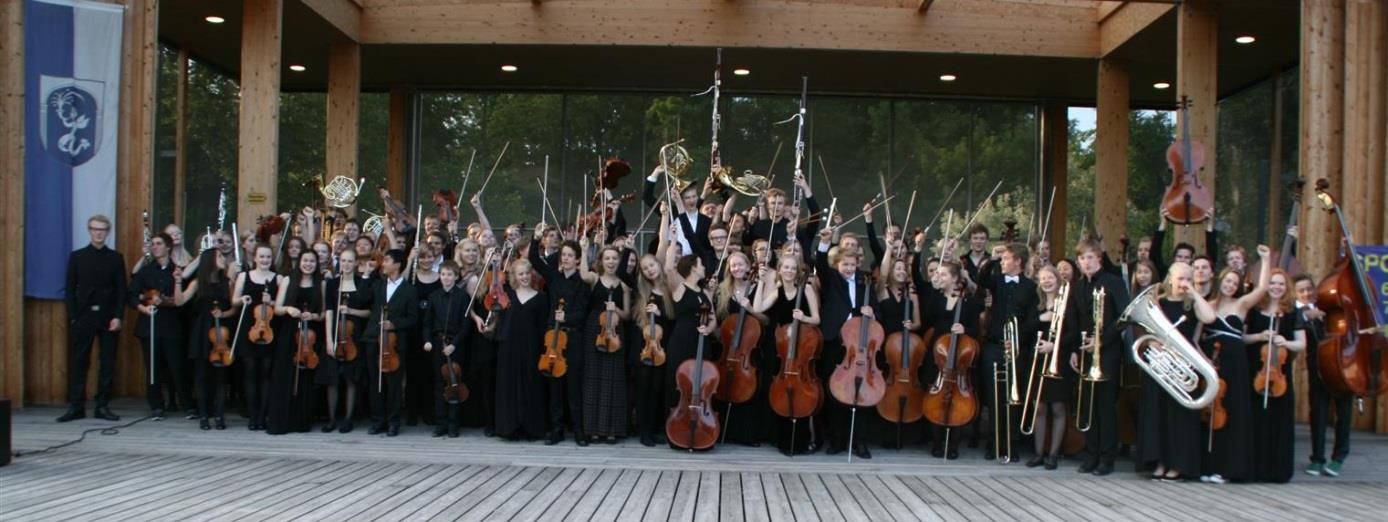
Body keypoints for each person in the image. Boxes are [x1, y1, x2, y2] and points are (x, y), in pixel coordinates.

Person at [1199, 246, 1270, 484]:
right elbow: (1197, 336)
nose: (1229, 285)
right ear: (1220, 281)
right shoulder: (1210, 304)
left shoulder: (1241, 305)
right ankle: (1211, 465)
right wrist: (1204, 358)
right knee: (1212, 415)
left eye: (1233, 282)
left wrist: (1266, 259)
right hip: (1213, 361)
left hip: (1235, 363)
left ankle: (1229, 469)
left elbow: (1261, 289)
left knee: (1232, 413)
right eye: (1226, 281)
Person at [1064, 240, 1130, 476]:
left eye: (1090, 257)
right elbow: (1073, 322)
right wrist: (1073, 349)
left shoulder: (1113, 282)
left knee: (1105, 406)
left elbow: (1124, 316)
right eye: (1082, 258)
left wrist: (1101, 341)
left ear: (1099, 258)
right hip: (1084, 351)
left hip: (1108, 352)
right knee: (1088, 406)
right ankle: (1091, 455)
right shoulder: (1077, 287)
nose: (1086, 262)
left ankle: (1107, 458)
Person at [814, 227, 879, 459]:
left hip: (860, 344)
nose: (849, 269)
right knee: (835, 391)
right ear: (838, 265)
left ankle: (859, 441)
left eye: (853, 265)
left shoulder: (865, 281)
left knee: (861, 391)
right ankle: (837, 440)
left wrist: (871, 311)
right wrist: (824, 243)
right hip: (836, 340)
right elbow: (820, 263)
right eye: (845, 265)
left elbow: (874, 309)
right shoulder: (831, 279)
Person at [59, 215, 128, 423]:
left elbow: (121, 291)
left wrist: (118, 316)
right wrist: (73, 316)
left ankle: (102, 405)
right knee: (80, 361)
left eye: (103, 229)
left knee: (107, 362)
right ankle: (76, 406)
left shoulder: (116, 258)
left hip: (108, 316)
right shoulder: (77, 257)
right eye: (95, 229)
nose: (99, 233)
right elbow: (70, 289)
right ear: (89, 230)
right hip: (83, 316)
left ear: (108, 232)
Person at [528, 227, 591, 446]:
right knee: (554, 384)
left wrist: (567, 317)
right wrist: (536, 238)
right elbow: (534, 260)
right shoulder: (554, 277)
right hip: (553, 337)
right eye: (563, 255)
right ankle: (556, 429)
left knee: (574, 386)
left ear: (577, 259)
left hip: (573, 337)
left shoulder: (583, 282)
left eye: (569, 256)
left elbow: (583, 312)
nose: (565, 259)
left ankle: (579, 430)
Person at [1243, 269, 1306, 483]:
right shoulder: (1254, 311)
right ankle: (1256, 469)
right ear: (1266, 286)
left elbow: (1301, 343)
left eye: (1280, 284)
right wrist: (1260, 336)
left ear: (1286, 287)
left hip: (1280, 376)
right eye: (1272, 283)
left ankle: (1277, 471)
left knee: (1279, 422)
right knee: (1257, 420)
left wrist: (1284, 342)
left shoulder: (1292, 313)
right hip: (1257, 373)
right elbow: (1242, 338)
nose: (1276, 287)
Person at [976, 242, 1038, 460]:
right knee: (994, 398)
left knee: (1013, 397)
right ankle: (994, 443)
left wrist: (1017, 337)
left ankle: (1012, 444)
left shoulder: (1030, 287)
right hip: (993, 345)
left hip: (1016, 347)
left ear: (1018, 261)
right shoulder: (997, 281)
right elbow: (980, 279)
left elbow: (1032, 320)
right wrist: (993, 259)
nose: (1003, 262)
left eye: (1006, 259)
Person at [129, 232, 192, 420]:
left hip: (172, 326)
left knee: (177, 367)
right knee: (153, 368)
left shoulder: (178, 270)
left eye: (158, 244)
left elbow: (183, 300)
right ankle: (156, 405)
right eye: (153, 244)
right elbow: (131, 295)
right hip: (150, 325)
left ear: (168, 247)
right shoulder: (146, 271)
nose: (155, 247)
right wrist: (144, 308)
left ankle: (187, 404)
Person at [921, 261, 978, 460]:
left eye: (944, 274)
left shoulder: (969, 301)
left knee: (958, 397)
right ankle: (937, 443)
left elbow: (976, 329)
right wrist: (934, 287)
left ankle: (953, 445)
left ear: (955, 278)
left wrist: (965, 330)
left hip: (960, 353)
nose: (940, 277)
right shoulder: (935, 297)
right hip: (939, 352)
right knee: (934, 394)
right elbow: (927, 318)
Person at [715, 251, 772, 446]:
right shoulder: (723, 290)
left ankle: (747, 434)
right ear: (729, 269)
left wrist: (749, 309)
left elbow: (766, 319)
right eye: (733, 265)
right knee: (723, 388)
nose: (737, 268)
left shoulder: (757, 288)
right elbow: (719, 320)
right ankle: (724, 432)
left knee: (750, 389)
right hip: (727, 348)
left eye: (741, 264)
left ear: (749, 266)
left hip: (749, 349)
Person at [1295, 273, 1349, 477]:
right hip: (1317, 366)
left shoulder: (1327, 307)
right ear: (1296, 294)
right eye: (1302, 291)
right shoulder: (1296, 313)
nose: (1307, 293)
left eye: (1309, 289)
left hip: (1341, 364)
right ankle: (1317, 458)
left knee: (1343, 411)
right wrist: (1305, 316)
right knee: (1318, 412)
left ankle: (1339, 457)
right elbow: (1290, 322)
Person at [362, 249, 418, 437]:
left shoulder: (410, 290)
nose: (383, 263)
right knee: (374, 383)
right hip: (373, 339)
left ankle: (393, 421)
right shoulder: (377, 284)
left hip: (394, 343)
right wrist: (366, 275)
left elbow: (413, 318)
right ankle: (378, 420)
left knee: (394, 384)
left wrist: (394, 324)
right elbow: (362, 299)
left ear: (398, 264)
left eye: (387, 260)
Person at [579, 238, 631, 443]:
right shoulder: (594, 278)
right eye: (607, 258)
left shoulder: (624, 285)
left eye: (614, 258)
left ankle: (611, 429)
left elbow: (627, 315)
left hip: (616, 331)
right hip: (594, 329)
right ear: (601, 260)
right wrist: (583, 250)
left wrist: (615, 309)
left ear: (619, 261)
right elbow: (583, 273)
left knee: (613, 380)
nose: (610, 262)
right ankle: (592, 428)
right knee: (593, 379)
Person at [265, 252, 322, 435]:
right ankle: (282, 420)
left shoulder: (320, 283)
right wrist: (289, 309)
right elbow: (277, 308)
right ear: (299, 262)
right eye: (305, 260)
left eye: (312, 261)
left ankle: (301, 420)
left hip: (309, 335)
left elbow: (323, 313)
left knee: (305, 377)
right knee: (284, 375)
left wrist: (312, 315)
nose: (308, 264)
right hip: (289, 333)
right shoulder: (289, 280)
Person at [493, 258, 550, 441]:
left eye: (527, 273)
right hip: (509, 346)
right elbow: (500, 321)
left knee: (530, 384)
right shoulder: (507, 295)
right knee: (510, 386)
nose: (524, 277)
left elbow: (542, 327)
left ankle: (531, 427)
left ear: (531, 274)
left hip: (532, 346)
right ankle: (510, 427)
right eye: (521, 274)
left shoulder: (541, 298)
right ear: (514, 276)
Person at [181, 247, 237, 430]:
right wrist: (176, 282)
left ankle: (219, 415)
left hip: (221, 330)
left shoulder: (227, 282)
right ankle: (204, 415)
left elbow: (233, 309)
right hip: (202, 329)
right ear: (210, 260)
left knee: (221, 376)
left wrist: (223, 313)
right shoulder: (198, 283)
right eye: (220, 256)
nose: (223, 258)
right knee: (201, 376)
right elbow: (180, 300)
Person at [231, 244, 285, 430]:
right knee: (250, 371)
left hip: (269, 329)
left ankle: (263, 415)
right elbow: (234, 300)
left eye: (268, 257)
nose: (264, 260)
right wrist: (243, 299)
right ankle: (252, 415)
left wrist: (270, 301)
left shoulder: (277, 278)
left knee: (265, 372)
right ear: (255, 258)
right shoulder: (244, 276)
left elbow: (281, 303)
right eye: (261, 257)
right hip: (250, 328)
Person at [1021, 265, 1066, 469]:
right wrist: (1041, 318)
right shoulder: (1036, 303)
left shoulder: (1066, 302)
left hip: (1058, 358)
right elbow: (1026, 328)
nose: (1046, 281)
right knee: (1038, 406)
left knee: (1057, 407)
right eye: (1043, 279)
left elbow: (1073, 331)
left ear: (1057, 279)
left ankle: (1053, 454)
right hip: (1038, 358)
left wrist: (1054, 346)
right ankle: (1038, 453)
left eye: (1050, 278)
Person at [320, 249, 369, 433]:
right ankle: (332, 419)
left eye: (350, 261)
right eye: (343, 261)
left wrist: (351, 312)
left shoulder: (361, 283)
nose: (346, 265)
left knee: (351, 379)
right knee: (332, 379)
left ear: (356, 263)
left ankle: (348, 419)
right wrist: (328, 340)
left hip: (354, 336)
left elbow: (369, 312)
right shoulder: (333, 284)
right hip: (335, 333)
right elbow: (329, 313)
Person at [422, 261, 472, 438]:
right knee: (439, 385)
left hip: (455, 345)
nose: (446, 278)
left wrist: (454, 344)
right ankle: (440, 423)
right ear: (439, 276)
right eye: (443, 274)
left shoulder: (462, 296)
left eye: (450, 274)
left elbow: (466, 325)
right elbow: (427, 322)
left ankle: (453, 424)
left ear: (456, 276)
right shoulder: (434, 296)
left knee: (455, 383)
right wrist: (427, 340)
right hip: (438, 345)